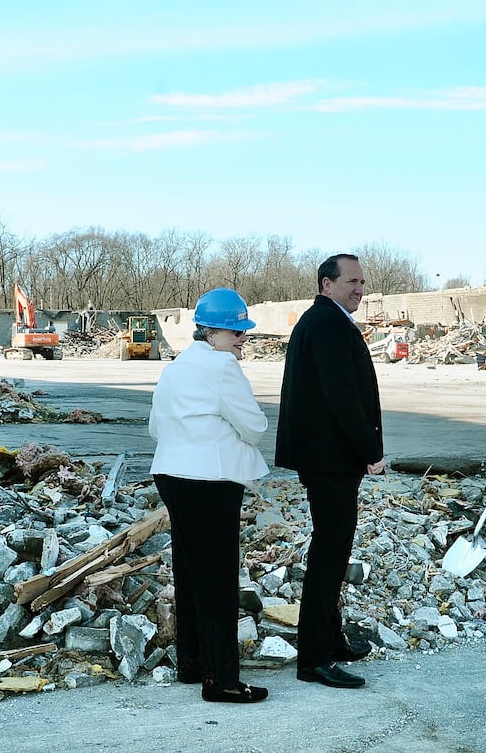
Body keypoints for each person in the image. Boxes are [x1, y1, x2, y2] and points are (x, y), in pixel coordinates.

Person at [149, 288, 270, 703]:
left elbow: (155, 425)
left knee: (189, 573)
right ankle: (223, 681)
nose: (240, 338)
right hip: (210, 482)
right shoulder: (222, 368)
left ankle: (193, 663)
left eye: (243, 332)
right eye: (232, 330)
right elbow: (255, 426)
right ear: (208, 331)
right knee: (217, 579)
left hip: (171, 475)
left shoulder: (177, 366)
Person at [275, 254, 384, 690]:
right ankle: (315, 658)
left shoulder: (323, 321)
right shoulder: (327, 325)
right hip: (330, 460)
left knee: (334, 550)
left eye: (362, 282)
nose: (360, 289)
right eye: (352, 281)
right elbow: (342, 398)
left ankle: (331, 640)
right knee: (328, 553)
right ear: (327, 284)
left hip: (326, 458)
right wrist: (370, 450)